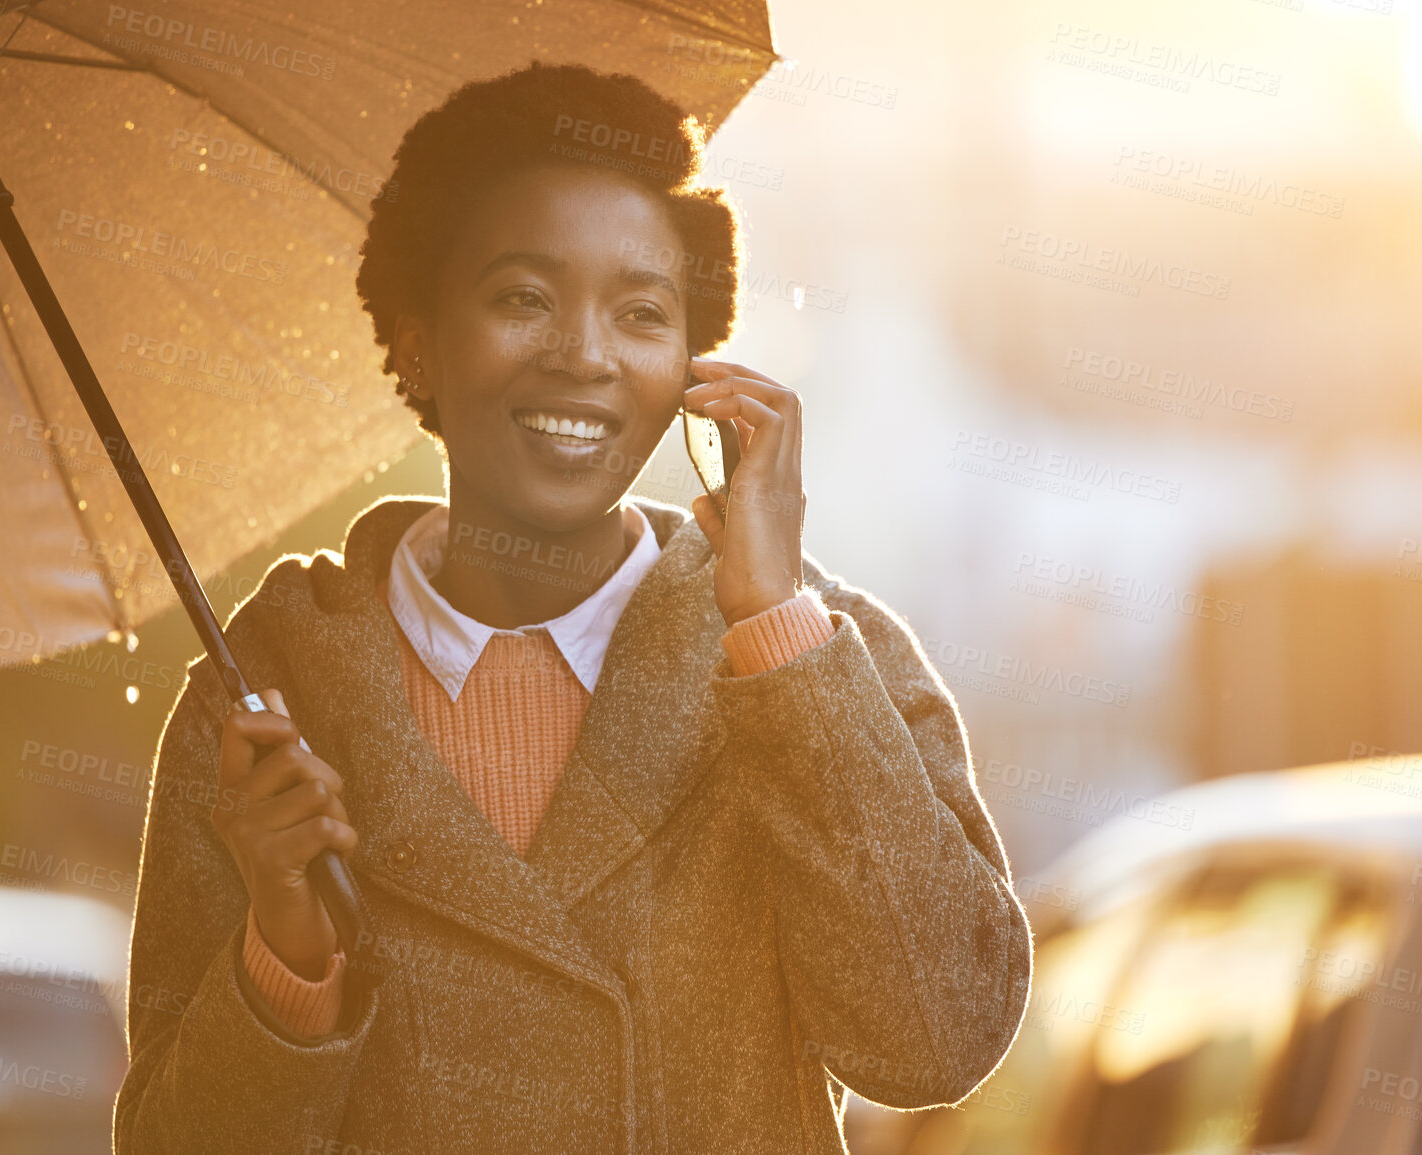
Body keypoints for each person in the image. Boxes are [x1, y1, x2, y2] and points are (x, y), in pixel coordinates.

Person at [114, 61, 1031, 1154]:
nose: (586, 356)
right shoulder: (266, 702)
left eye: (642, 314)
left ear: (693, 369)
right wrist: (286, 955)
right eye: (522, 299)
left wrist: (773, 626)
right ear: (417, 341)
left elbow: (935, 1045)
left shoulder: (818, 655)